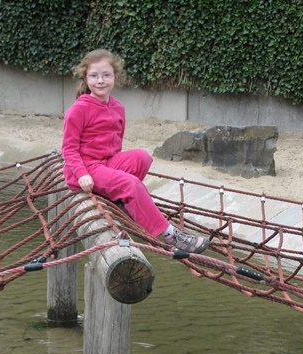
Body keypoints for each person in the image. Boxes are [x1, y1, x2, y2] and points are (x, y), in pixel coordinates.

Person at [61, 49, 208, 254]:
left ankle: (122, 200)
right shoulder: (79, 109)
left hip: (106, 163)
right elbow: (68, 149)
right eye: (94, 76)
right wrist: (82, 174)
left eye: (106, 75)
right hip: (85, 170)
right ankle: (170, 234)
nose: (100, 81)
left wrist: (114, 171)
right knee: (130, 183)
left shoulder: (118, 107)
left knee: (142, 157)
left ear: (115, 77)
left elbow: (117, 145)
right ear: (86, 79)